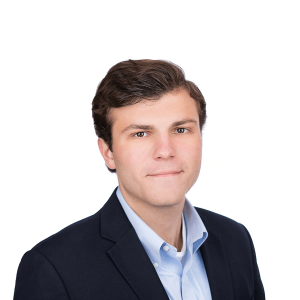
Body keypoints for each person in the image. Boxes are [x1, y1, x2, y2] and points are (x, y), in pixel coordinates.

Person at [13, 59, 265, 300]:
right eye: (141, 134)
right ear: (108, 152)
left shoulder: (235, 240)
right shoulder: (54, 268)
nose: (165, 151)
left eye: (181, 130)